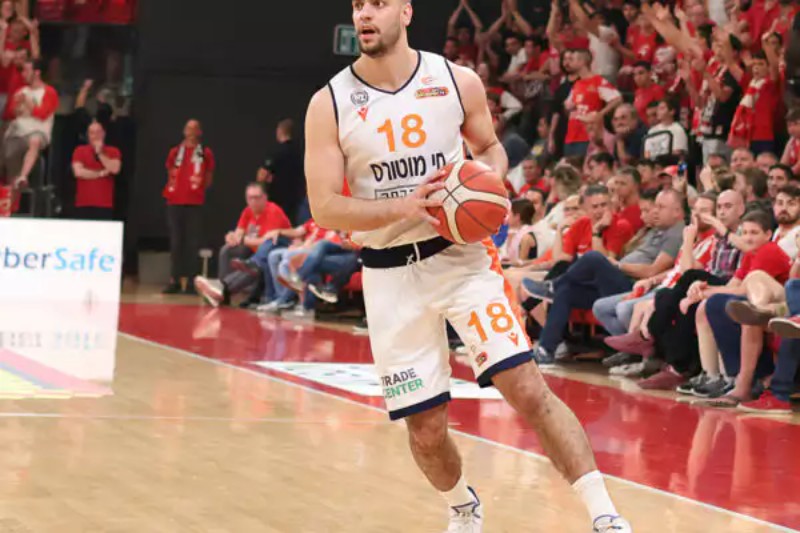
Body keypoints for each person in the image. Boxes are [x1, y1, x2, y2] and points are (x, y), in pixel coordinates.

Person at [304, 1, 631, 531]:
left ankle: (606, 516)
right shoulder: (329, 103)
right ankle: (463, 507)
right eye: (358, 4)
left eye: (378, 3)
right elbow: (324, 206)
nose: (365, 14)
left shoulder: (456, 81)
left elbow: (491, 151)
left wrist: (482, 185)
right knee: (426, 430)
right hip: (389, 274)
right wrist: (405, 206)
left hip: (461, 259)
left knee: (527, 388)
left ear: (405, 11)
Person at [194, 183, 292, 307]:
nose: (253, 201)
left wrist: (243, 240)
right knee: (228, 250)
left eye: (257, 197)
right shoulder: (248, 211)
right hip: (255, 251)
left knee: (255, 266)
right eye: (250, 198)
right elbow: (239, 233)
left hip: (274, 248)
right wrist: (232, 237)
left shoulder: (273, 211)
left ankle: (222, 288)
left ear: (265, 198)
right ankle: (221, 290)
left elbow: (267, 242)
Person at [162, 119, 215, 295]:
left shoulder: (205, 153)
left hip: (195, 203)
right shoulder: (175, 152)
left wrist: (195, 190)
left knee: (193, 243)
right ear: (184, 131)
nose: (191, 132)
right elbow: (170, 173)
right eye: (188, 129)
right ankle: (174, 280)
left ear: (199, 132)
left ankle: (192, 282)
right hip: (174, 202)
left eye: (195, 129)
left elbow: (208, 178)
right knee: (176, 242)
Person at [3, 58, 57, 190]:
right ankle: (12, 185)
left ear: (37, 73)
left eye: (26, 71)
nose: (23, 74)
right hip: (18, 131)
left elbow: (42, 113)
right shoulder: (21, 91)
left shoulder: (49, 92)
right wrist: (19, 107)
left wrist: (28, 103)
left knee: (35, 140)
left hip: (38, 130)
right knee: (9, 152)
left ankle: (23, 176)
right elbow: (11, 112)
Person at [71, 121, 121, 220]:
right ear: (88, 135)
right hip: (83, 204)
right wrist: (101, 173)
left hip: (104, 204)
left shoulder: (113, 151)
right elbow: (78, 172)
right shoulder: (79, 150)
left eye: (98, 132)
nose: (96, 136)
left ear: (104, 133)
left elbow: (115, 169)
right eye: (92, 133)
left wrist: (100, 153)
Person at [258, 118, 306, 223]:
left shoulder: (275, 152)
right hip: (297, 199)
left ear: (280, 131)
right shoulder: (300, 151)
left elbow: (262, 175)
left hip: (277, 199)